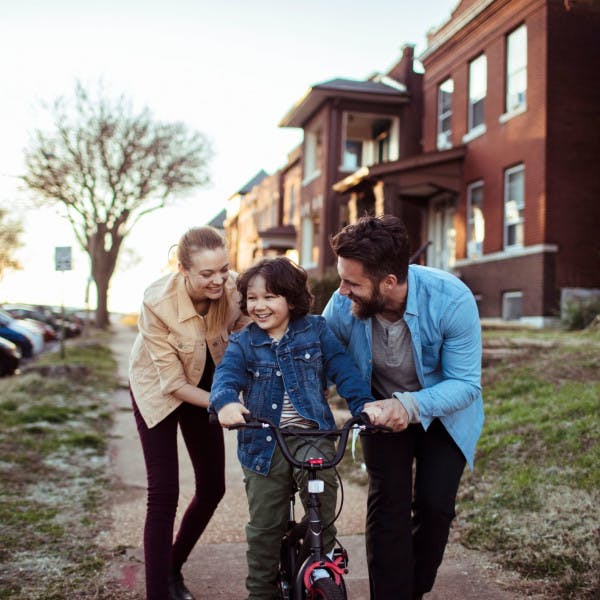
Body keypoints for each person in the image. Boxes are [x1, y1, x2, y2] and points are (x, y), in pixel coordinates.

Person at [322, 214, 484, 600]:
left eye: (352, 282)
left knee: (434, 507)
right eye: (342, 278)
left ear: (389, 282)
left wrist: (408, 405)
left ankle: (411, 592)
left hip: (443, 414)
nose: (341, 291)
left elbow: (466, 383)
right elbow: (322, 359)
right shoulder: (342, 304)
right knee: (388, 504)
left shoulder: (452, 300)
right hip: (379, 410)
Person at [209, 256, 377, 600]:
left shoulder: (315, 331)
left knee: (322, 484)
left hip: (309, 434)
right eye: (252, 298)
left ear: (291, 298)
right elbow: (226, 376)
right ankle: (260, 591)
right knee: (265, 527)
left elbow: (342, 368)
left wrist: (364, 406)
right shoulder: (244, 342)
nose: (259, 305)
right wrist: (225, 402)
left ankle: (323, 556)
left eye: (269, 297)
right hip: (263, 443)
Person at [128, 226, 249, 600]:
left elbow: (250, 338)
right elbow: (174, 384)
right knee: (163, 493)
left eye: (224, 269)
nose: (219, 280)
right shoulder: (157, 302)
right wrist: (223, 402)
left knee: (213, 487)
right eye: (207, 274)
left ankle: (171, 568)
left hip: (210, 383)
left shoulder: (235, 290)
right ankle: (158, 594)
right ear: (183, 270)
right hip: (160, 388)